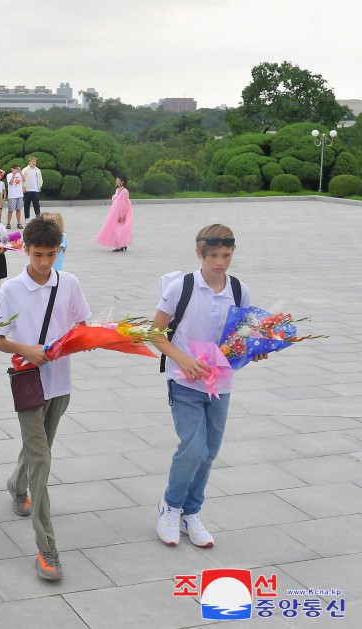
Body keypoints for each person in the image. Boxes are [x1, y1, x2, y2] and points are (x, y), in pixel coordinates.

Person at [0, 217, 91, 582]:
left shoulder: (70, 284)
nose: (45, 262)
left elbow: (83, 326)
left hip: (60, 383)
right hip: (27, 382)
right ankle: (47, 548)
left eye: (52, 254)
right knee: (42, 459)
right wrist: (27, 350)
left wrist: (77, 341)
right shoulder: (11, 289)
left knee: (41, 448)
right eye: (37, 255)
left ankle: (17, 486)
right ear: (24, 249)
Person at [150, 224, 252, 550]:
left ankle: (191, 513)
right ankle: (170, 506)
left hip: (221, 384)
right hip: (184, 381)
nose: (220, 262)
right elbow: (153, 332)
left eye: (226, 255)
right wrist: (182, 360)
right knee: (193, 448)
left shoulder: (239, 290)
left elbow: (243, 335)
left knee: (209, 453)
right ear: (199, 254)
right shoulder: (182, 287)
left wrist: (256, 349)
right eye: (213, 256)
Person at [95, 176, 133, 252]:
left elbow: (124, 204)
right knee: (115, 227)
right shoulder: (117, 190)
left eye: (118, 180)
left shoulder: (125, 191)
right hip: (115, 212)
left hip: (119, 212)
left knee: (119, 228)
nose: (116, 181)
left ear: (122, 182)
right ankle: (121, 244)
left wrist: (122, 215)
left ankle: (121, 244)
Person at [5, 163, 25, 230]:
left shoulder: (19, 175)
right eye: (14, 168)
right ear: (12, 169)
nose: (15, 170)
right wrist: (13, 174)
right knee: (11, 210)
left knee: (18, 209)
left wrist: (20, 172)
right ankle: (8, 223)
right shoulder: (9, 175)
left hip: (20, 194)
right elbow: (10, 183)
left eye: (16, 168)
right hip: (12, 195)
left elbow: (24, 180)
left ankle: (19, 223)